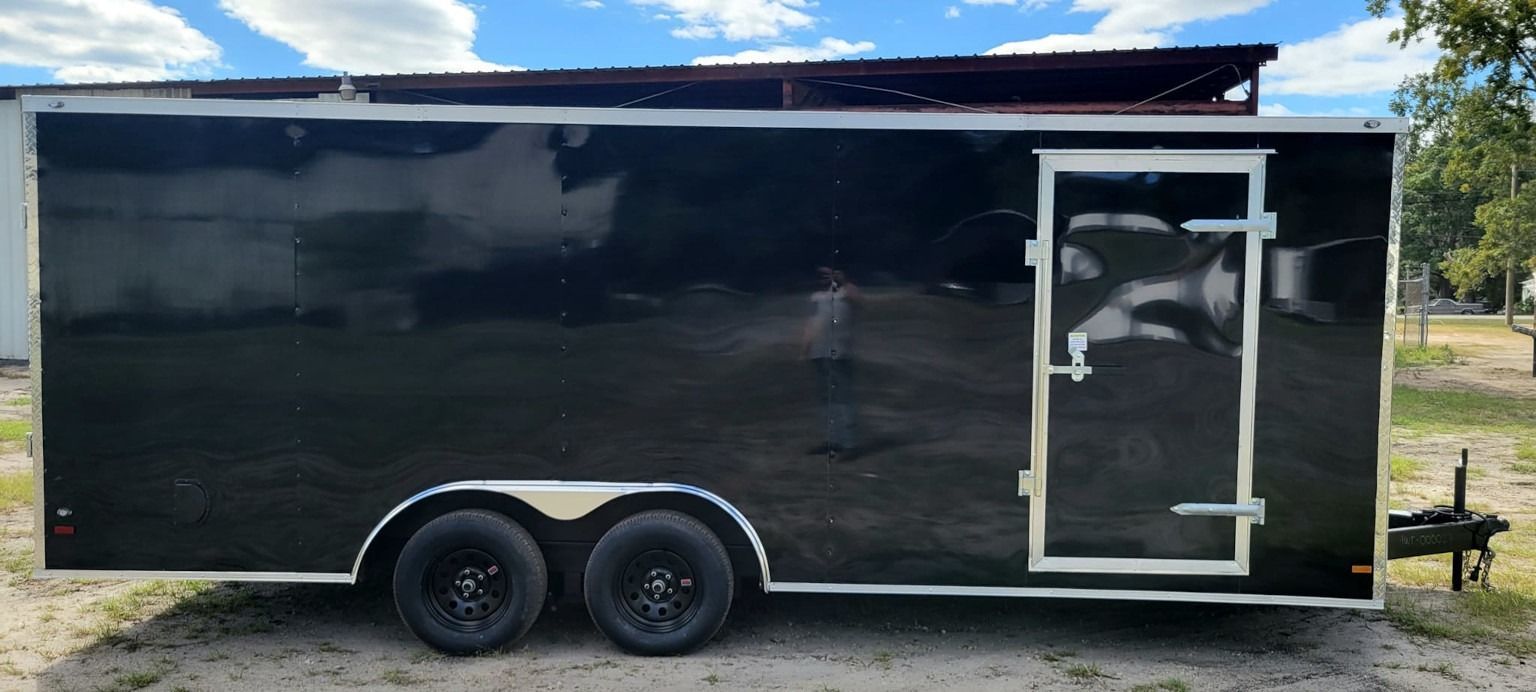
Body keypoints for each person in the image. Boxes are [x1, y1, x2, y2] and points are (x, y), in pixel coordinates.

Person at [801, 267, 861, 459]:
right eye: (822, 275)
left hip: (840, 353)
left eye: (829, 273)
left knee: (843, 398)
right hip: (819, 353)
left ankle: (850, 444)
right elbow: (811, 323)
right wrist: (805, 348)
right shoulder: (816, 297)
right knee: (827, 399)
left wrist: (843, 280)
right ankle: (832, 441)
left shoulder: (846, 293)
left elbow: (858, 299)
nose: (825, 278)